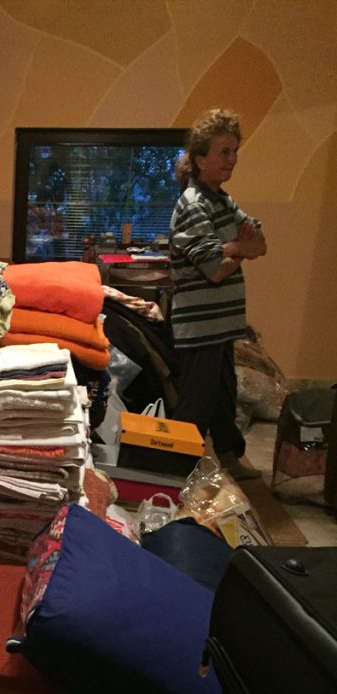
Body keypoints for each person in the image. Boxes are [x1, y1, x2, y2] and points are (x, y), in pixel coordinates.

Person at [169, 108, 267, 481]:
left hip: (222, 324)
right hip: (200, 326)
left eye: (234, 151)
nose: (232, 159)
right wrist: (238, 248)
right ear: (200, 159)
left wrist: (230, 248)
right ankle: (177, 476)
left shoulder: (223, 201)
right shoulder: (193, 205)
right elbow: (215, 270)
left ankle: (229, 458)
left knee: (225, 396)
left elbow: (260, 244)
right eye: (224, 152)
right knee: (196, 404)